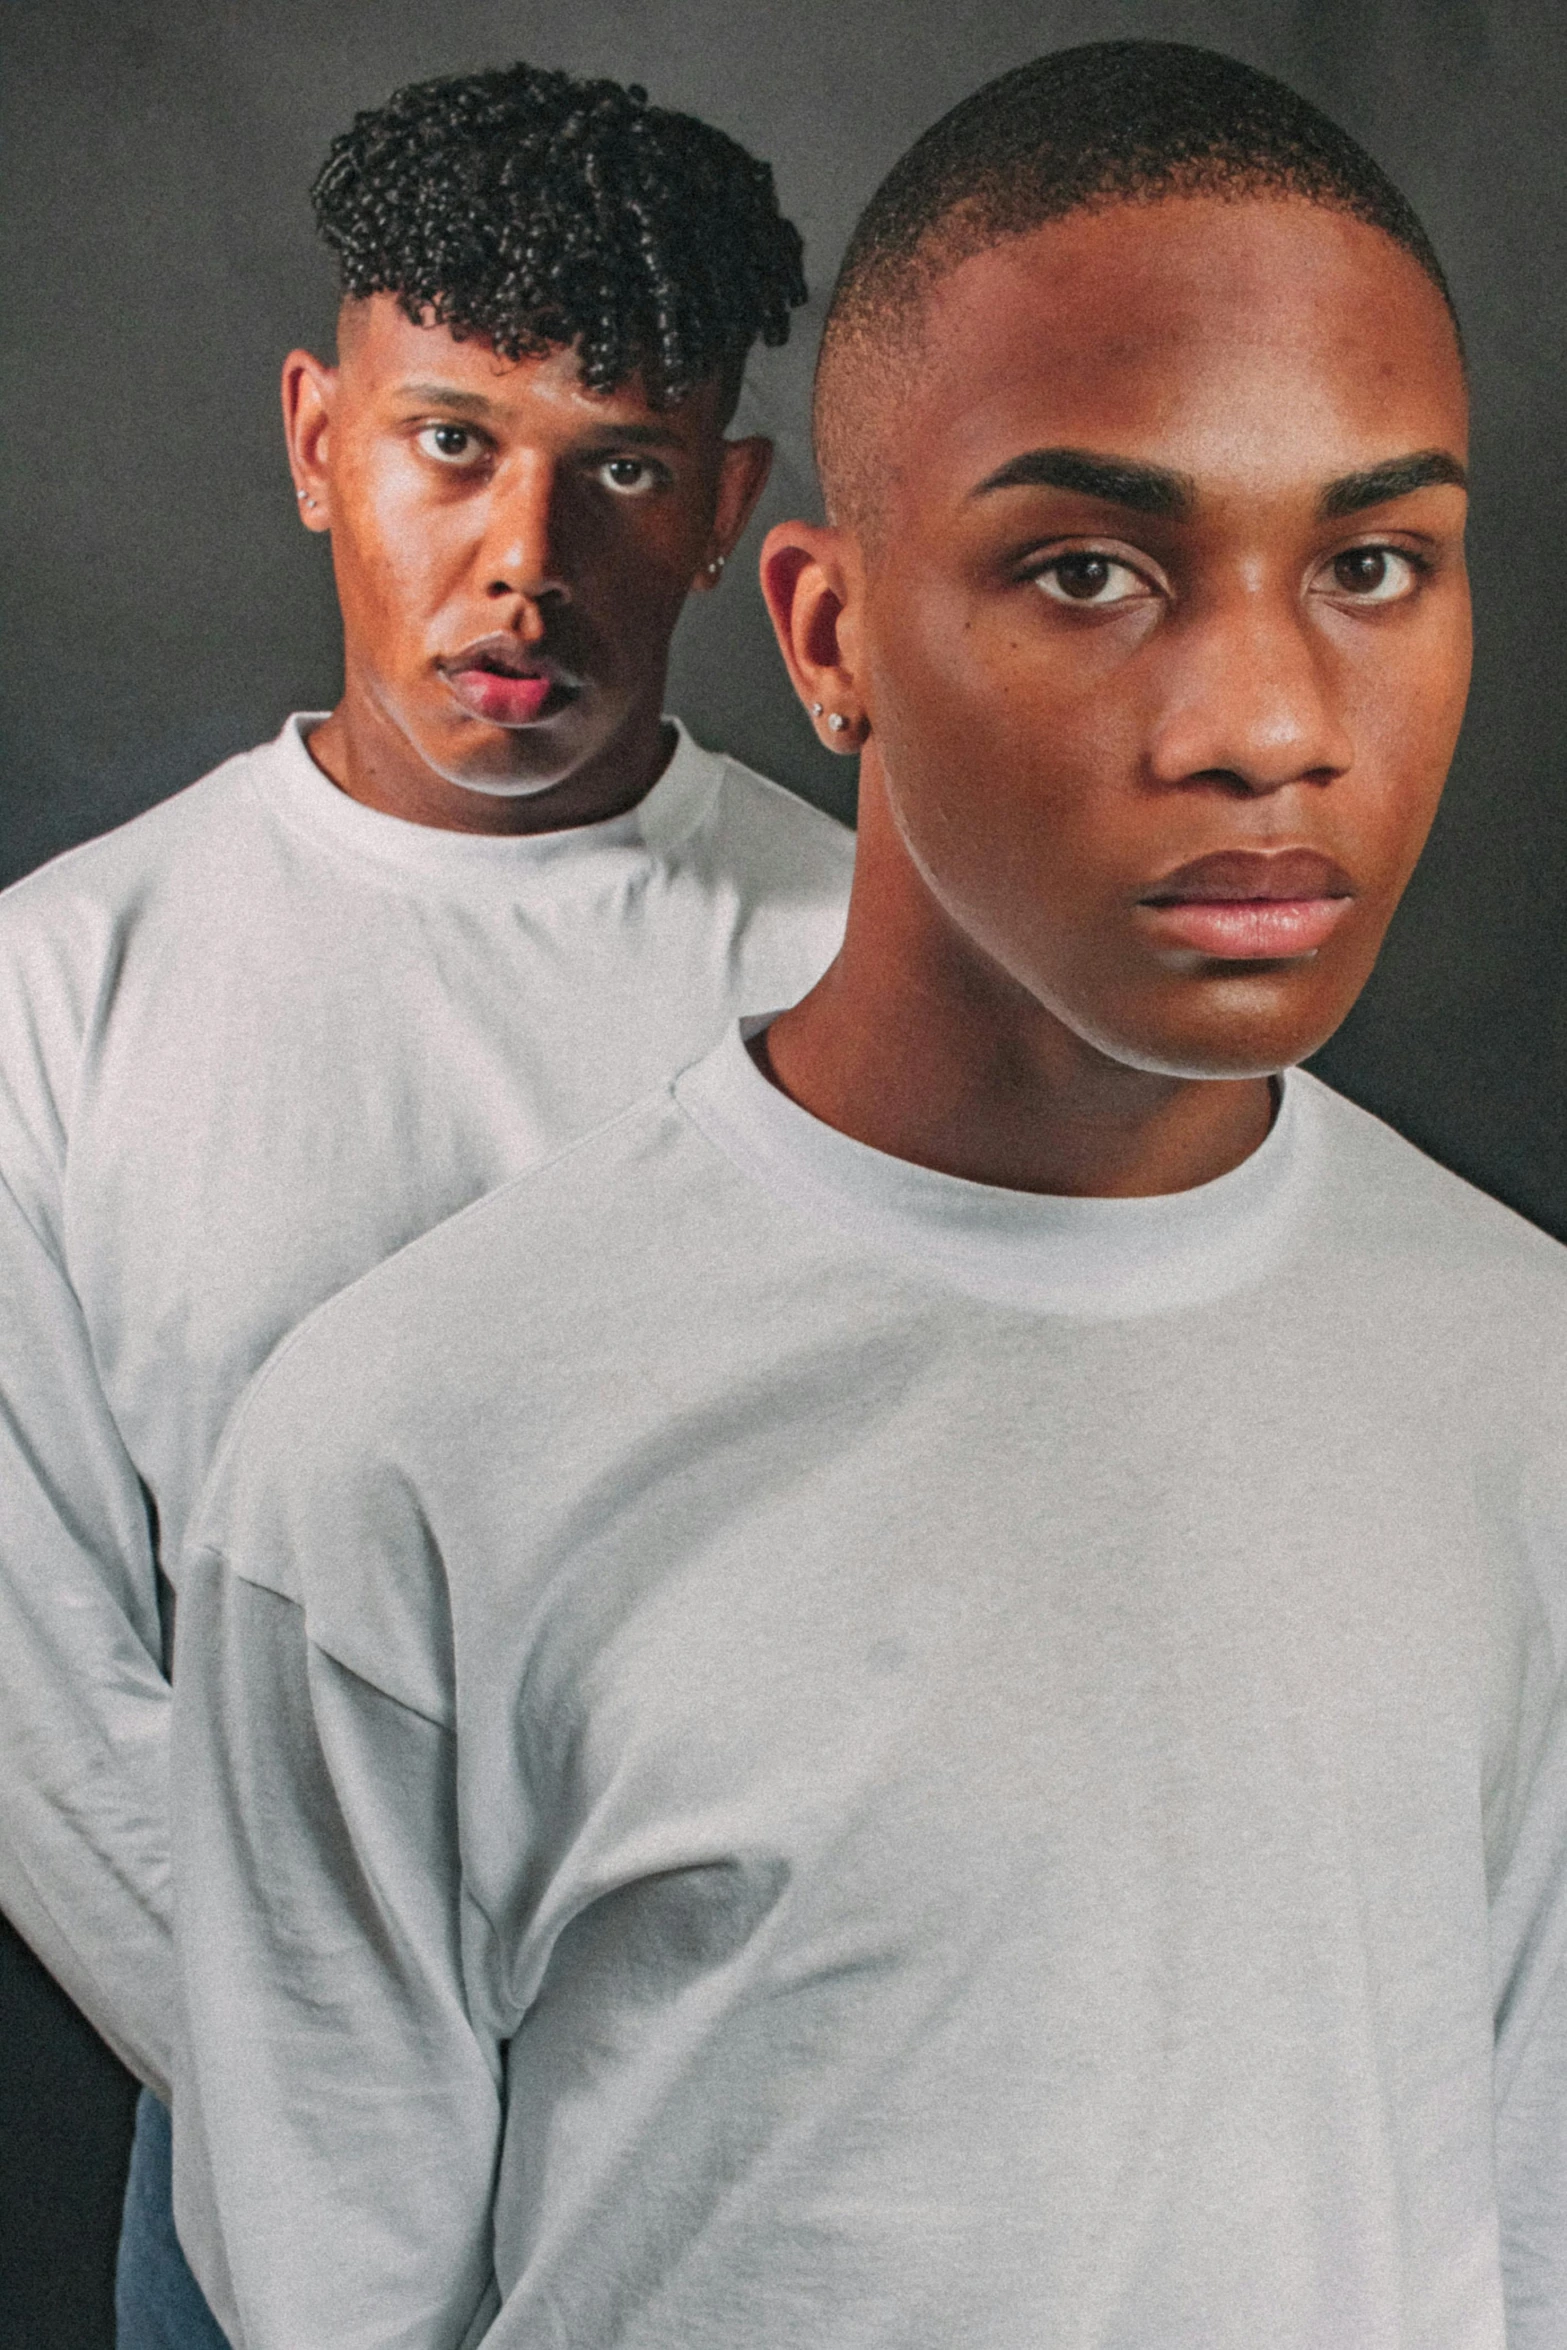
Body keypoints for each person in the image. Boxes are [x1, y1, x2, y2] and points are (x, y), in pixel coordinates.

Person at [171, 41, 1567, 2350]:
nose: (1266, 719)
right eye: (1092, 566)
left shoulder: (1532, 1386)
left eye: (1372, 561)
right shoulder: (411, 1449)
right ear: (828, 634)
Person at [0, 60, 852, 2350]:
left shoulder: (877, 967)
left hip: (766, 2126)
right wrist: (336, 2133)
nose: (523, 556)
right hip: (251, 2150)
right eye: (449, 438)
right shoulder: (63, 982)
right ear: (314, 439)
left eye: (624, 470)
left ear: (724, 510)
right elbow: (34, 1675)